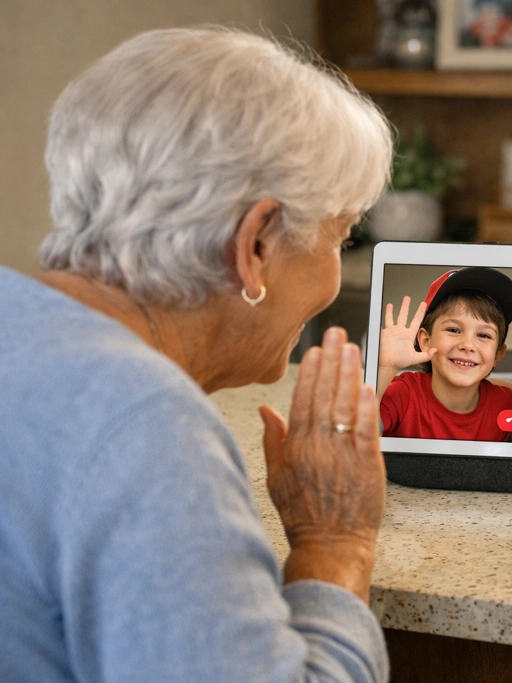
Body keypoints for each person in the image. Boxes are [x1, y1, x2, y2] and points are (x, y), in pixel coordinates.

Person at [0, 28, 395, 682]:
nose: (333, 275)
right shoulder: (147, 427)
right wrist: (337, 546)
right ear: (256, 245)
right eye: (340, 236)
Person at [376, 267, 512, 440]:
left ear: (498, 354)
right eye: (453, 329)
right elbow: (360, 433)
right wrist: (385, 367)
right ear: (425, 341)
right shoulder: (403, 394)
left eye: (483, 335)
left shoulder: (507, 404)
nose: (467, 345)